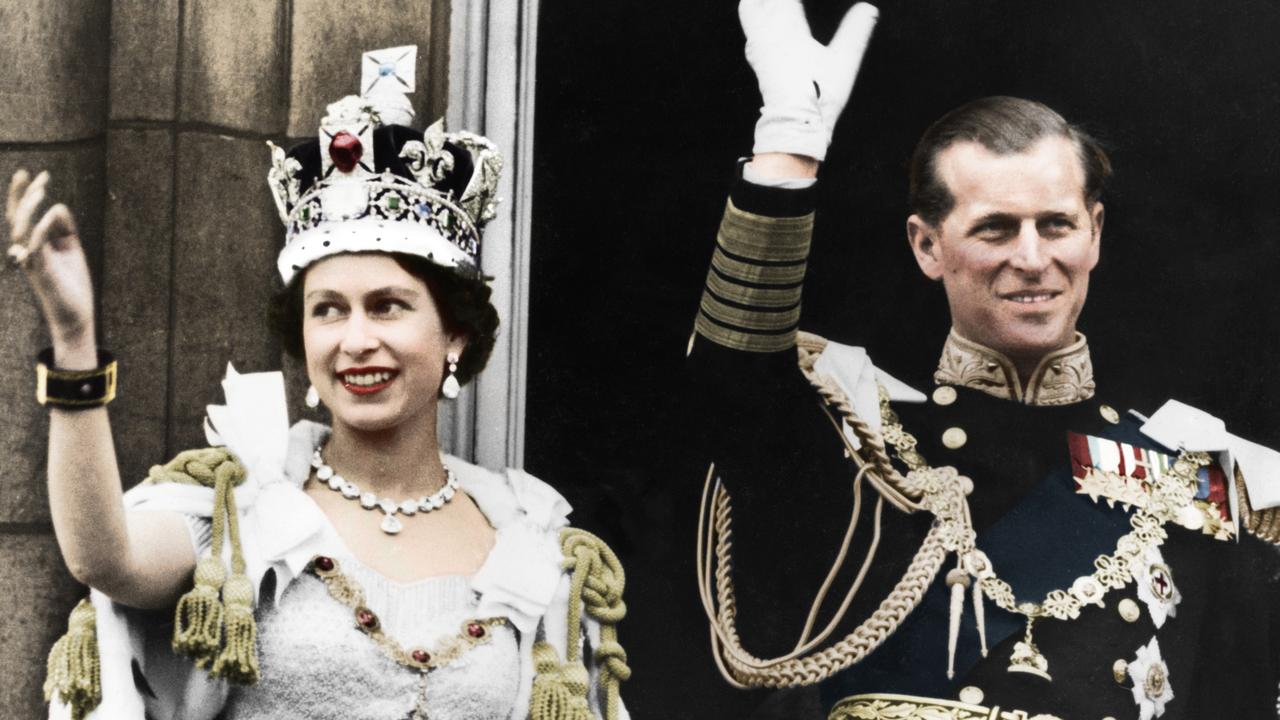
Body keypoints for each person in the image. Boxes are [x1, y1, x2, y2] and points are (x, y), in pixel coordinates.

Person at [689, 2, 1280, 718]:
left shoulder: (1201, 483)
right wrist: (788, 148)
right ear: (927, 246)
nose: (1031, 260)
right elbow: (731, 386)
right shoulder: (863, 448)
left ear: (1093, 234)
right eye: (995, 229)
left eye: (1055, 225)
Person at [10, 47, 629, 720]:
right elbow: (106, 557)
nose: (356, 339)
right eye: (328, 309)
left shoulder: (527, 539)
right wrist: (74, 342)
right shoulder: (241, 513)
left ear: (457, 336)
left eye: (387, 305)